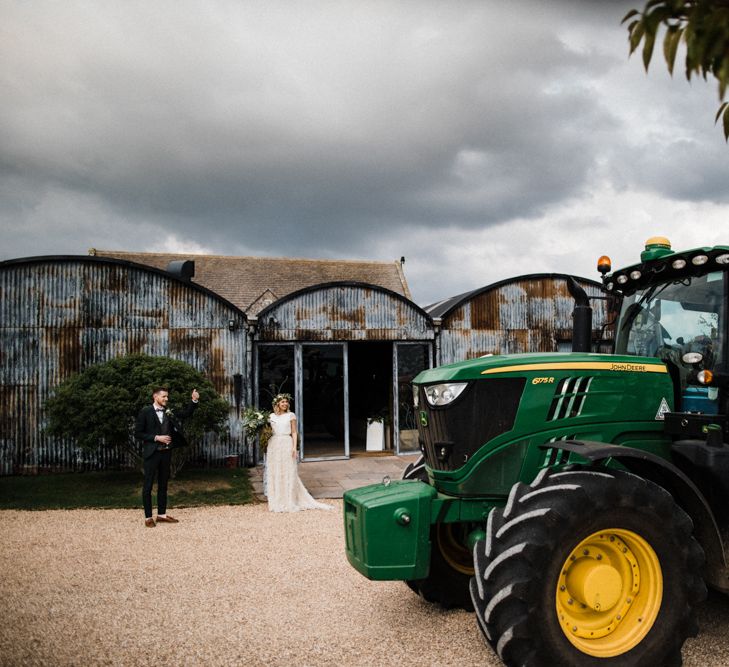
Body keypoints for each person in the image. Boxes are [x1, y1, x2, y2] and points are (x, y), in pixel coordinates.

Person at [135, 386, 199, 527]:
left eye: (167, 396)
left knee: (163, 484)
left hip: (166, 453)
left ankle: (162, 515)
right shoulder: (145, 412)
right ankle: (148, 518)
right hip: (152, 453)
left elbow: (185, 414)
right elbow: (138, 433)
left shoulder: (169, 411)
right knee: (148, 485)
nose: (166, 399)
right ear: (155, 396)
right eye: (164, 396)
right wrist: (156, 437)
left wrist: (193, 401)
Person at [266, 394, 331, 513]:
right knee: (276, 469)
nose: (285, 404)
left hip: (286, 442)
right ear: (277, 404)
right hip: (274, 444)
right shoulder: (271, 416)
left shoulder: (291, 415)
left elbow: (294, 432)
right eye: (282, 402)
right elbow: (267, 430)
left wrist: (294, 447)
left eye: (286, 402)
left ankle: (289, 499)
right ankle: (277, 499)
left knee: (288, 470)